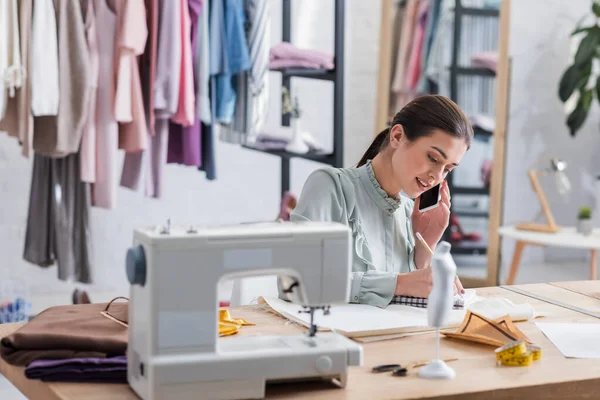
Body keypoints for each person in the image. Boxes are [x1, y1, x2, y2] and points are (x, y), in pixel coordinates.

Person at [287, 94, 473, 308]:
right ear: (397, 136)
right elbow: (294, 282)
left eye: (447, 169)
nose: (437, 176)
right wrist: (398, 283)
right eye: (433, 158)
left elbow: (403, 306)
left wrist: (426, 246)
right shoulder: (330, 187)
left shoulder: (408, 214)